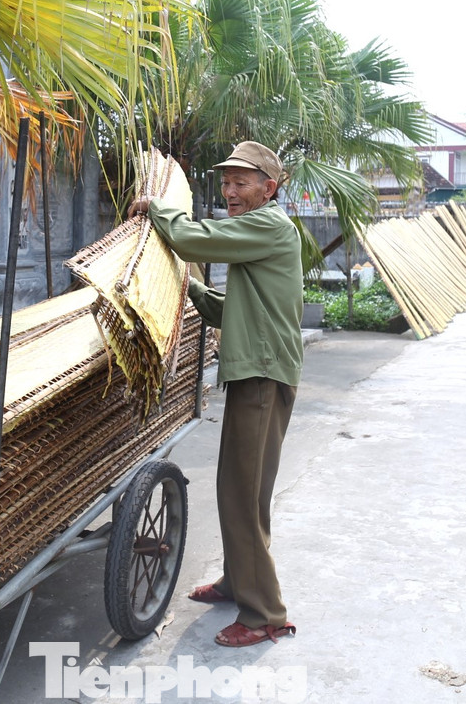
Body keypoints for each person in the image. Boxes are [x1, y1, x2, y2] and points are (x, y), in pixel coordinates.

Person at [128, 140, 303, 647]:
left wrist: (157, 210)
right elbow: (236, 311)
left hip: (264, 376)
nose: (229, 191)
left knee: (242, 495)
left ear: (268, 189)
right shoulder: (261, 232)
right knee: (240, 489)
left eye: (240, 182)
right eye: (226, 182)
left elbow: (191, 238)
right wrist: (191, 289)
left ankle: (264, 614)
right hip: (258, 373)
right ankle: (237, 582)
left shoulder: (269, 224)